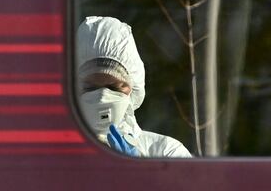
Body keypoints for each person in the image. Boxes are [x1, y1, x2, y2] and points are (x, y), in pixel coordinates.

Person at [77, 16, 192, 158]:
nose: (102, 97)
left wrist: (140, 173)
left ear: (132, 88)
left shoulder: (166, 152)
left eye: (113, 87)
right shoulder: (53, 157)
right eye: (90, 87)